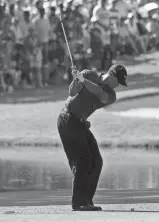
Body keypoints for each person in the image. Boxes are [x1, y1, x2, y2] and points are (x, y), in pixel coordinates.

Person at [57, 64, 128, 211]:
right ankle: (78, 203)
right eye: (118, 82)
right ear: (111, 75)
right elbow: (72, 92)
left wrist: (83, 80)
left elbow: (99, 93)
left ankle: (87, 201)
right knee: (82, 161)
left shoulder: (111, 95)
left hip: (80, 123)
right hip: (67, 120)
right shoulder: (88, 74)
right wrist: (77, 79)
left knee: (97, 161)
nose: (118, 86)